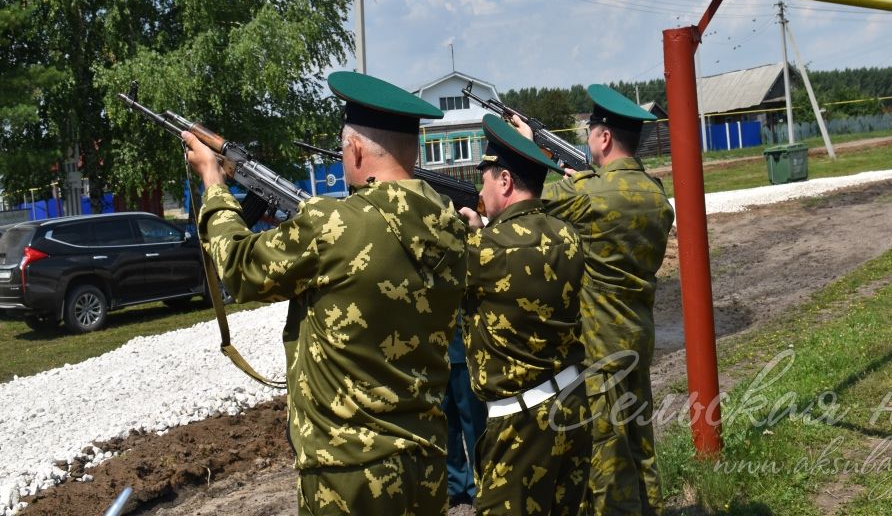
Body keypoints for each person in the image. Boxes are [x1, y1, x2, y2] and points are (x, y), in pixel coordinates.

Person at [182, 71, 468, 516]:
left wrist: (214, 186)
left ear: (354, 150)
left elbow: (238, 269)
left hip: (348, 473)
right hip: (425, 463)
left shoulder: (334, 226)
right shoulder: (449, 229)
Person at [517, 85, 674, 515]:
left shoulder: (588, 195)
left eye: (590, 131)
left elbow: (527, 206)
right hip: (638, 333)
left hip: (598, 343)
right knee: (639, 440)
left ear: (603, 138)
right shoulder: (656, 195)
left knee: (605, 451)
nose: (587, 138)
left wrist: (531, 151)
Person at [457, 113, 592, 515]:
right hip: (572, 403)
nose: (481, 187)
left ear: (505, 181)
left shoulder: (485, 251)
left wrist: (471, 233)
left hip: (520, 424)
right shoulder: (566, 234)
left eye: (485, 178)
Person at [443, 311, 487, 507]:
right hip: (435, 353)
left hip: (463, 349)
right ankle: (456, 484)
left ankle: (481, 486)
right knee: (446, 424)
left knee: (474, 424)